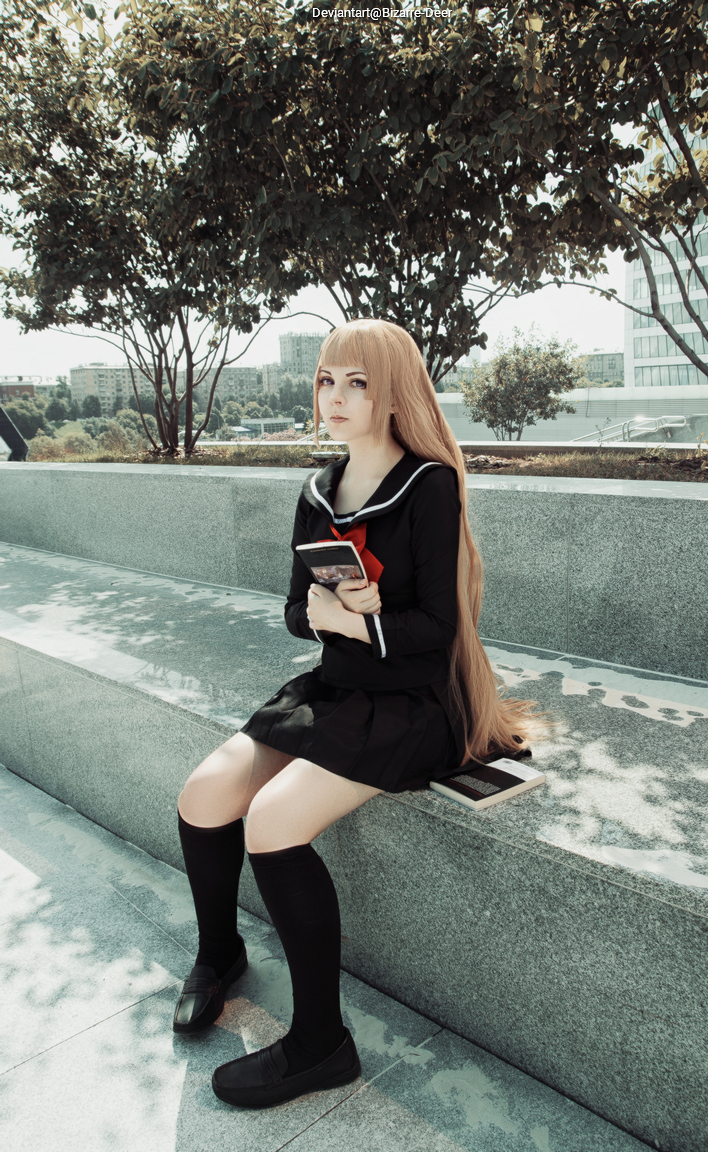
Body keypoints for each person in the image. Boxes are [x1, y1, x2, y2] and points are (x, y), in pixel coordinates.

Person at [173, 318, 543, 1110]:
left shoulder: (429, 486)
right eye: (326, 381)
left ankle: (321, 1045)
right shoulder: (317, 490)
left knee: (271, 821)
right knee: (203, 795)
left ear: (392, 394)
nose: (335, 398)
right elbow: (291, 613)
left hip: (411, 705)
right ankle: (219, 954)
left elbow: (440, 629)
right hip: (335, 689)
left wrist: (360, 623)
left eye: (357, 383)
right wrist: (319, 612)